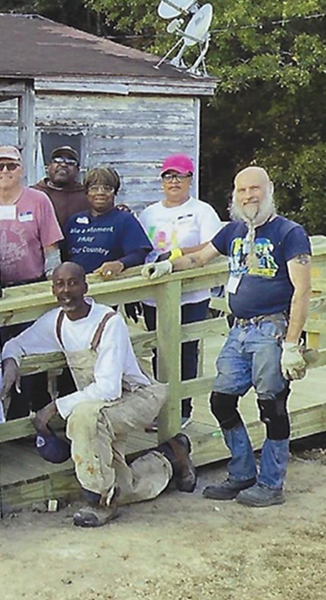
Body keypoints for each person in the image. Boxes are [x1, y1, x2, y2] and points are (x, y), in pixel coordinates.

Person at [142, 166, 312, 507]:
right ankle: (242, 472)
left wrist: (291, 344)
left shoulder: (289, 233)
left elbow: (302, 290)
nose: (248, 196)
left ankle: (271, 483)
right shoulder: (232, 231)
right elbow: (200, 257)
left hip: (272, 330)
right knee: (221, 400)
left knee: (272, 406)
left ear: (269, 190)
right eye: (241, 190)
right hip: (239, 329)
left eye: (254, 189)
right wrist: (167, 265)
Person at [0, 262, 197, 527]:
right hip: (99, 405)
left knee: (82, 419)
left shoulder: (109, 322)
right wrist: (11, 362)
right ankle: (171, 457)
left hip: (135, 398)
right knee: (123, 485)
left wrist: (53, 408)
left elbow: (108, 388)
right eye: (60, 284)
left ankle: (99, 501)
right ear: (53, 288)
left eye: (73, 283)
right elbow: (17, 343)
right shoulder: (57, 320)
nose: (66, 291)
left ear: (86, 286)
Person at [0, 145, 64, 419]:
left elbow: (51, 248)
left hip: (30, 287)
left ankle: (33, 418)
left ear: (21, 169)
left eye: (11, 166)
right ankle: (0, 418)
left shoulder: (39, 200)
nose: (5, 171)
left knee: (32, 356)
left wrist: (50, 286)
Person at [138, 154, 223, 425]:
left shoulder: (202, 211)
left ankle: (183, 409)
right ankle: (161, 406)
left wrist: (176, 254)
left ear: (190, 179)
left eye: (180, 175)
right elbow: (140, 248)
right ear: (162, 181)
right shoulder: (149, 212)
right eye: (168, 176)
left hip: (191, 294)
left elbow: (212, 245)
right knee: (158, 350)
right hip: (155, 293)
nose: (174, 181)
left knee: (187, 349)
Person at [63, 166, 152, 277]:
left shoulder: (125, 219)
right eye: (94, 188)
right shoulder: (74, 221)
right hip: (75, 285)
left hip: (108, 283)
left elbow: (139, 254)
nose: (100, 193)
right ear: (86, 192)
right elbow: (62, 255)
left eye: (107, 188)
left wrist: (120, 264)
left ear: (115, 192)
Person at [32, 146, 89, 229]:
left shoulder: (85, 196)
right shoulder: (34, 193)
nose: (63, 165)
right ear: (48, 167)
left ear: (77, 170)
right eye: (57, 161)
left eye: (70, 162)